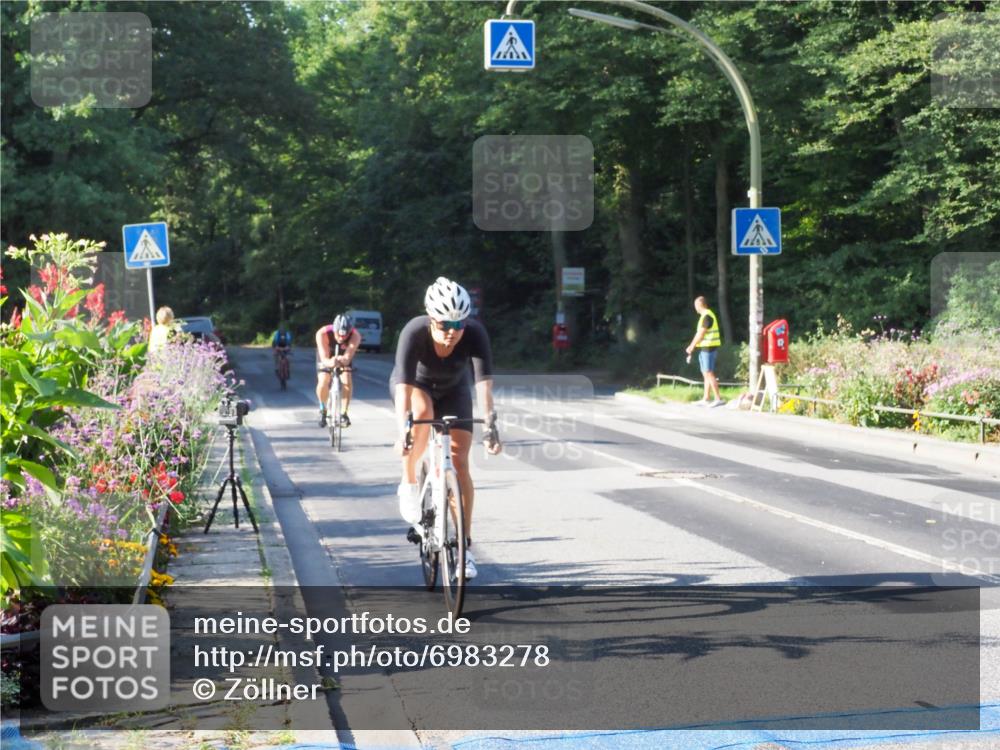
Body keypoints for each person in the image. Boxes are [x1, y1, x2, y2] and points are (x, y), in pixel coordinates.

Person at [391, 277, 502, 580]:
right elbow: (402, 386)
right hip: (417, 386)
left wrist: (491, 426)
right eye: (444, 326)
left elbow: (484, 385)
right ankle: (409, 481)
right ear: (430, 319)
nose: (452, 333)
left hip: (454, 391)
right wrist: (403, 427)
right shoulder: (414, 331)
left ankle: (464, 549)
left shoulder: (475, 333)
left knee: (461, 462)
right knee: (422, 415)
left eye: (458, 325)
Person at [315, 313, 361, 428]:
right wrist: (330, 362)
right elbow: (324, 359)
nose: (341, 338)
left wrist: (343, 360)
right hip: (327, 354)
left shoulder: (355, 335)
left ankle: (344, 413)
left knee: (346, 379)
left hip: (343, 355)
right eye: (338, 335)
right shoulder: (322, 333)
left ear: (349, 332)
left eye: (344, 336)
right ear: (334, 329)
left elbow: (348, 357)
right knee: (323, 381)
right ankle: (323, 409)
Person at [685, 296, 724, 406]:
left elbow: (701, 334)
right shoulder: (705, 316)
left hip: (709, 348)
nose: (695, 308)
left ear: (699, 305)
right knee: (705, 373)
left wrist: (691, 346)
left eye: (695, 306)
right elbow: (700, 334)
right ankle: (706, 398)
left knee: (709, 373)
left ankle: (718, 398)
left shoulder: (707, 316)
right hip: (705, 348)